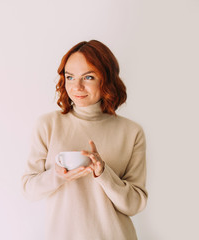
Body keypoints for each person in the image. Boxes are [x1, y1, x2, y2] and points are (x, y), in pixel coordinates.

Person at [21, 40, 147, 240]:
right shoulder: (48, 125)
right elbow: (29, 190)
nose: (77, 86)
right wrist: (58, 175)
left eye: (88, 77)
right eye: (70, 77)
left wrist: (103, 173)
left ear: (105, 79)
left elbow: (134, 204)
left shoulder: (131, 132)